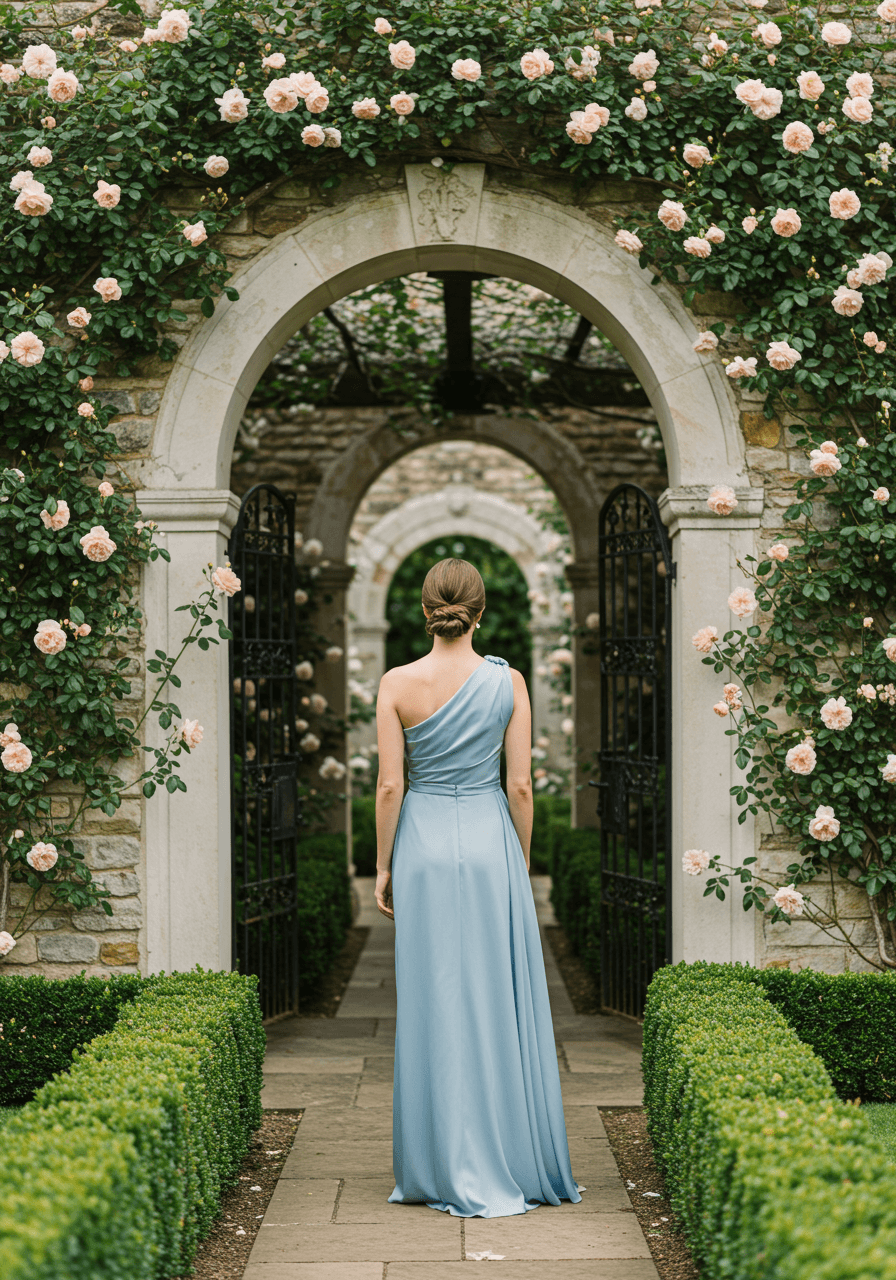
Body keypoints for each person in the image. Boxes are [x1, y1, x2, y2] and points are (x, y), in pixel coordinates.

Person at [374, 557, 583, 1219]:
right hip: (491, 846)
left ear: (425, 609)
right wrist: (519, 858)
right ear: (481, 611)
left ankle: (435, 1167)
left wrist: (382, 866)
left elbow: (389, 786)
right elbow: (520, 785)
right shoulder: (508, 681)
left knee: (434, 1004)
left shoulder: (397, 683)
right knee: (498, 999)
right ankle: (511, 1157)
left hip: (425, 850)